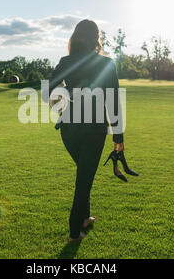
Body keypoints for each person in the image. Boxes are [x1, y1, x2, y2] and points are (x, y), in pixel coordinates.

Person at [45, 19, 125, 242]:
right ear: (97, 38)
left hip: (68, 130)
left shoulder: (66, 61)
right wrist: (119, 138)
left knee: (85, 174)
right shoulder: (106, 64)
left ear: (75, 36)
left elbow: (47, 91)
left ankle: (85, 218)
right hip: (93, 131)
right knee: (84, 180)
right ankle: (74, 233)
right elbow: (113, 102)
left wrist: (66, 105)